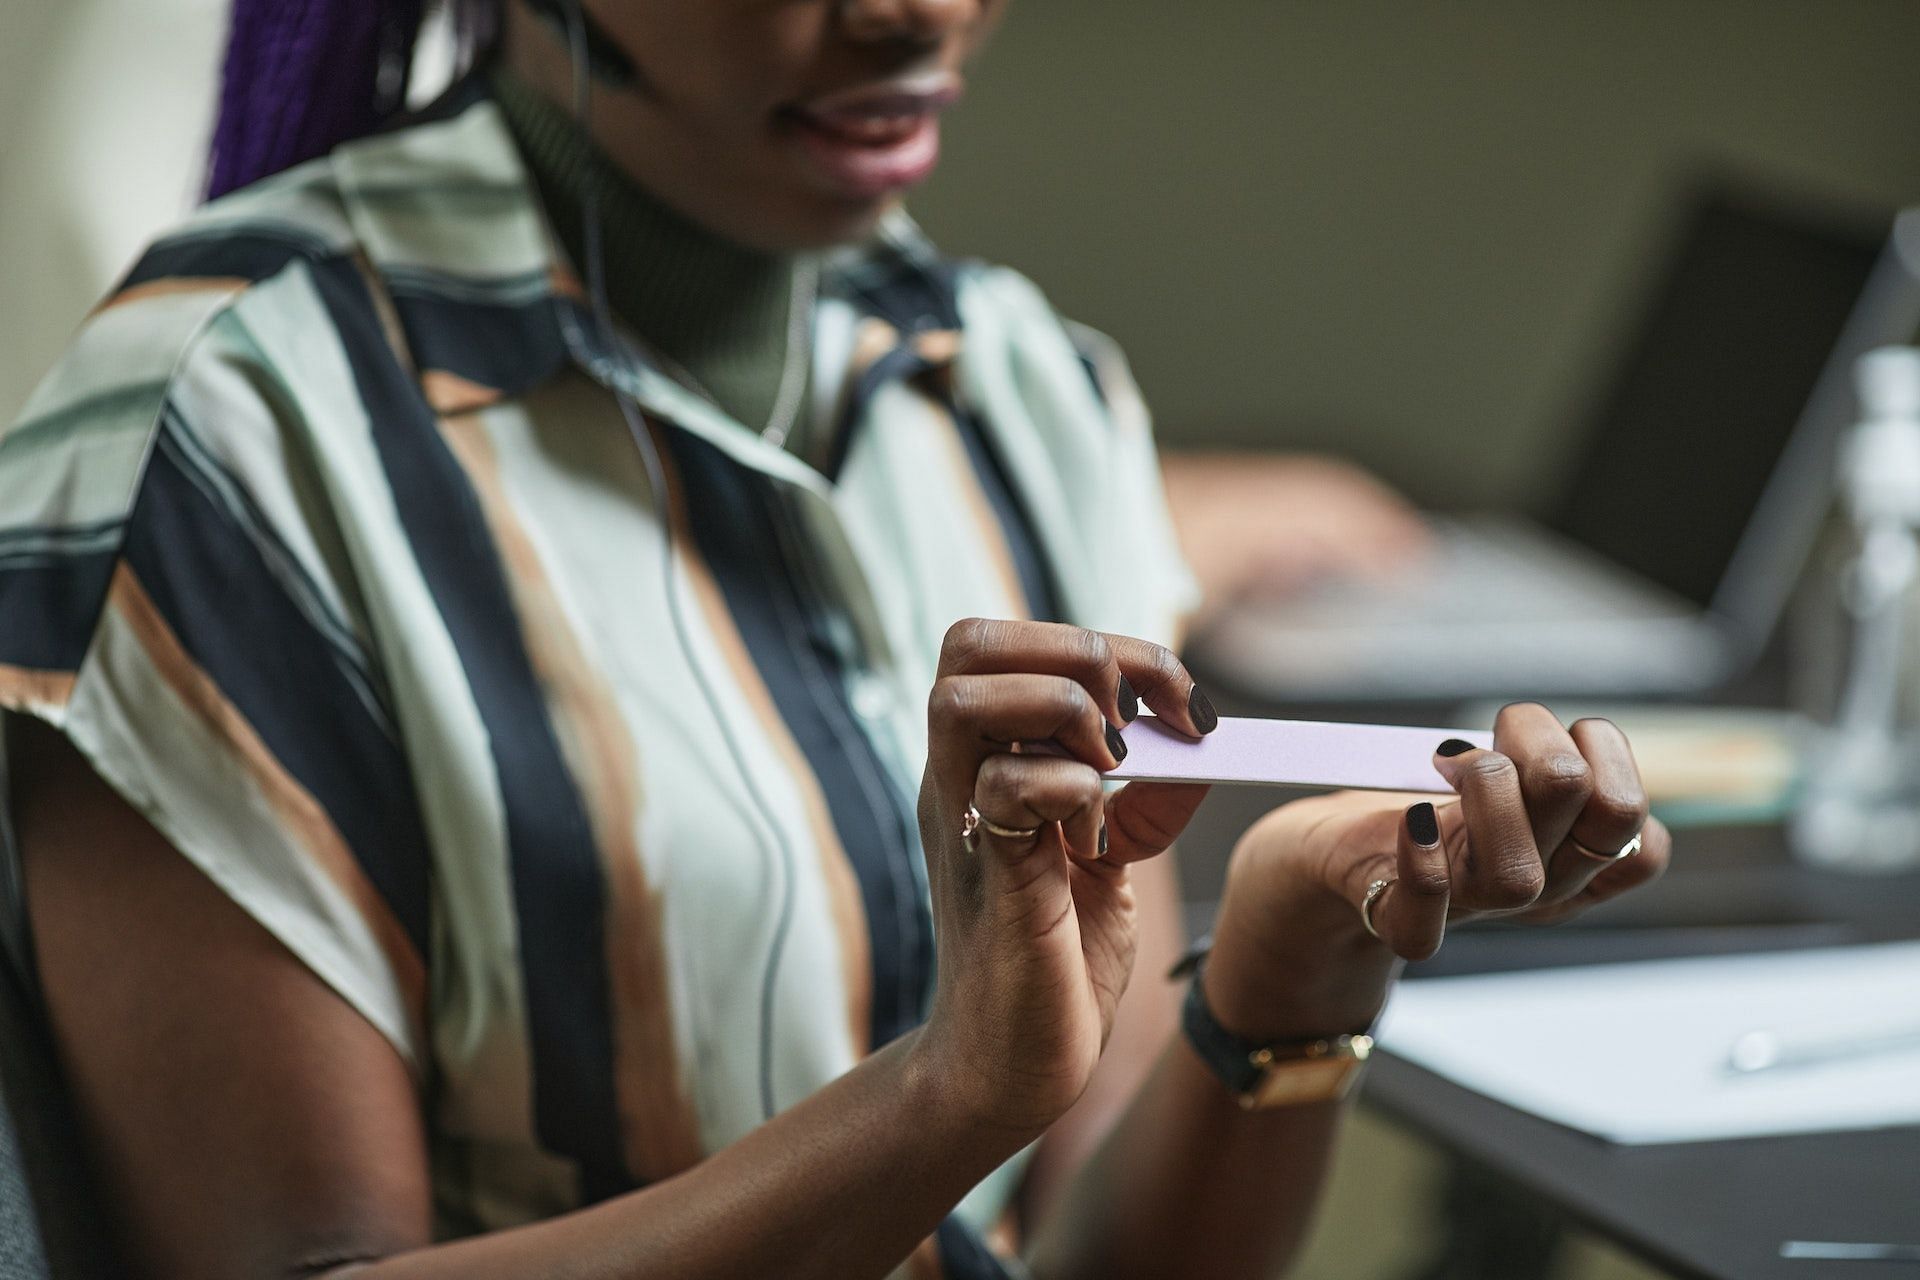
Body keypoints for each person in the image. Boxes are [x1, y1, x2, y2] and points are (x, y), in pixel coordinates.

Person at [0, 2, 1671, 1276]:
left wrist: (1289, 967)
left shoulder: (1018, 386)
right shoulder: (217, 430)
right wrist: (947, 1099)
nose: (914, 11)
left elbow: (1093, 1253)